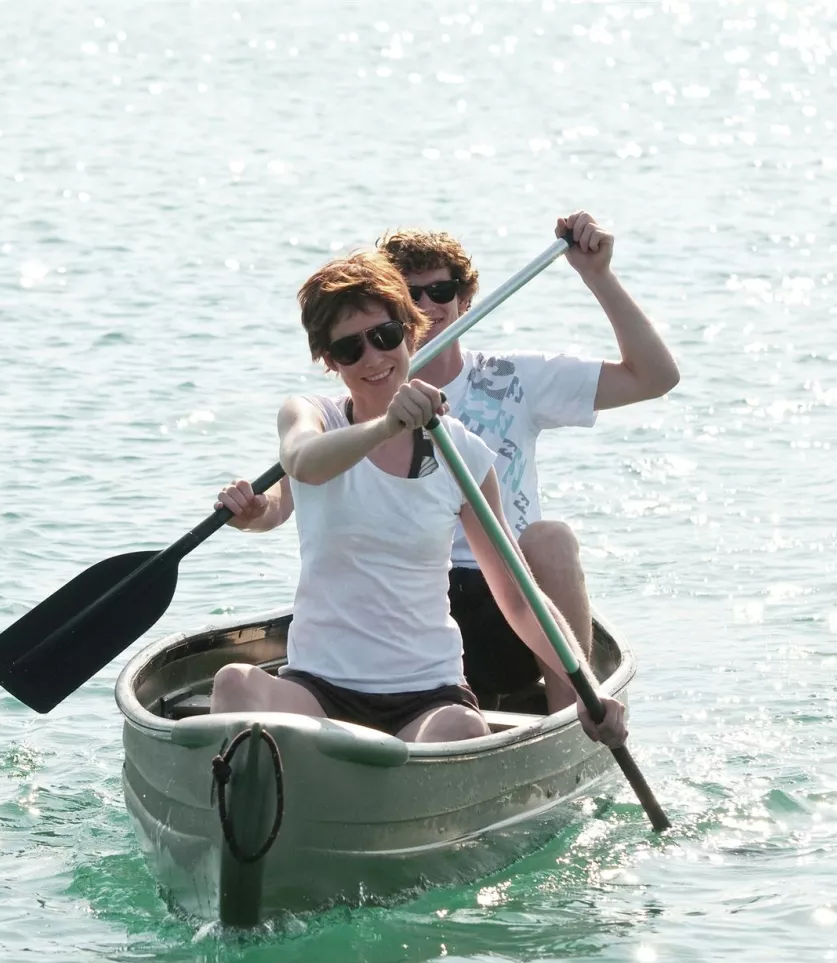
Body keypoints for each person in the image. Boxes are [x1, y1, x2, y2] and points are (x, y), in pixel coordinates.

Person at [210, 249, 625, 747]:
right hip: (318, 688)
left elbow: (517, 599)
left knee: (461, 729)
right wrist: (387, 424)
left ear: (410, 332)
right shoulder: (313, 414)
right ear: (328, 361)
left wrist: (586, 687)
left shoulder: (465, 454)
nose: (373, 358)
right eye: (349, 349)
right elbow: (301, 461)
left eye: (385, 337)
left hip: (425, 694)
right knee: (233, 683)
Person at [376, 212, 679, 712]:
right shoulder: (364, 400)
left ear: (466, 300)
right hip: (414, 605)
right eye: (410, 296)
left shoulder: (514, 377)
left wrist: (597, 276)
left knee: (550, 537)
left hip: (512, 604)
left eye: (441, 291)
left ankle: (575, 712)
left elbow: (655, 376)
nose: (428, 306)